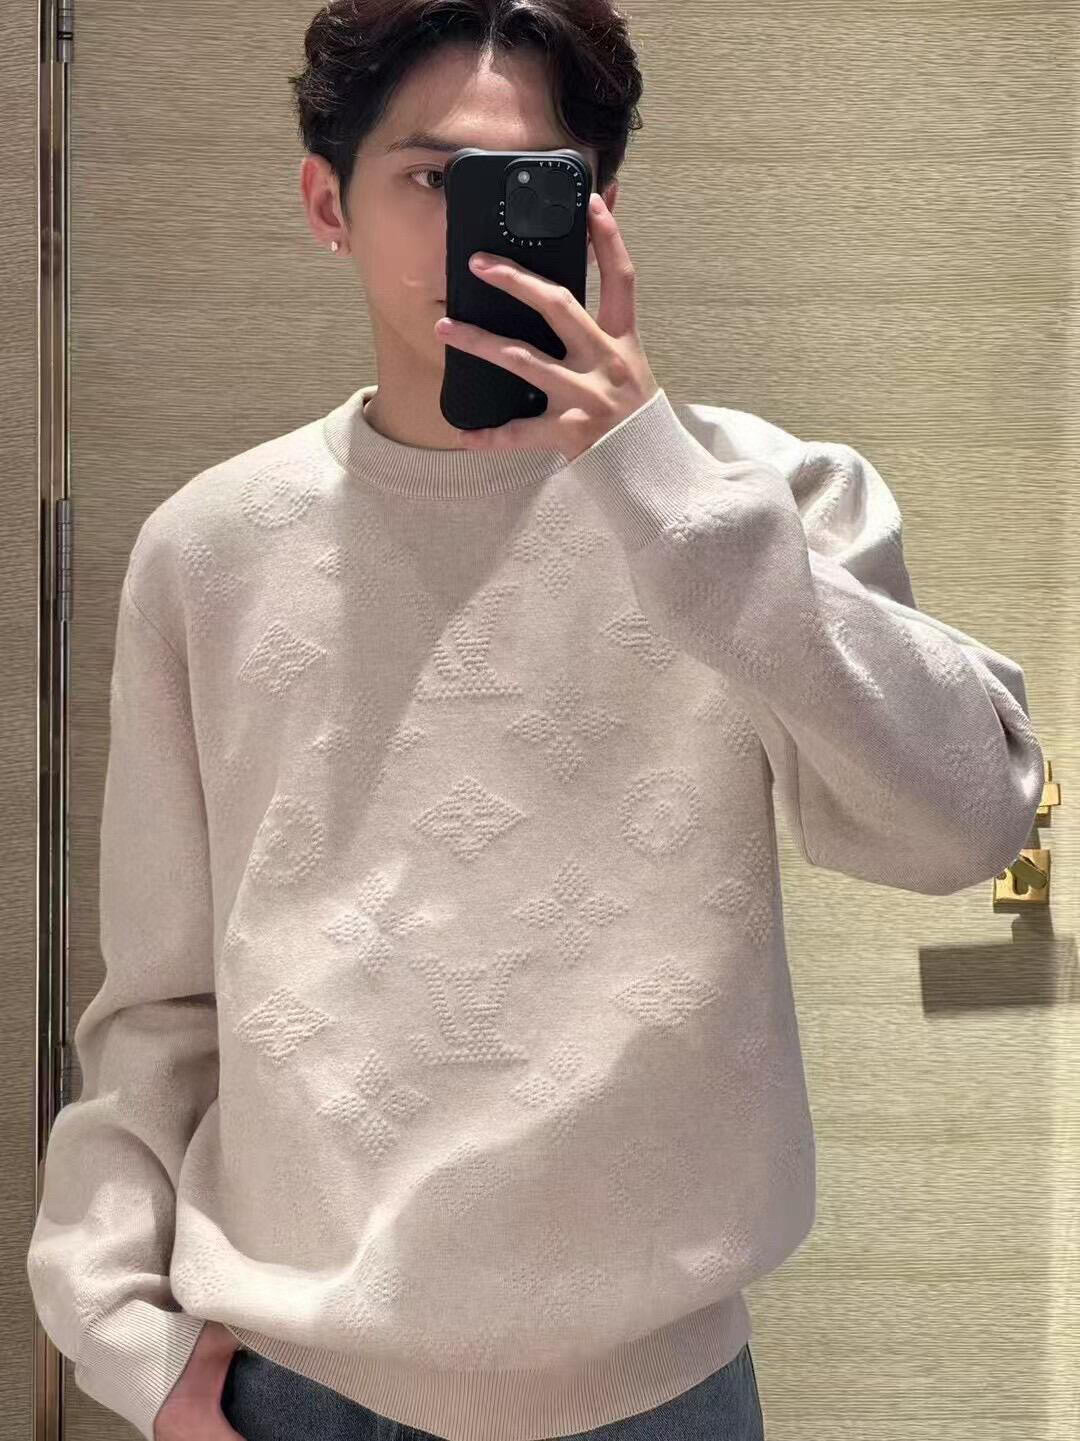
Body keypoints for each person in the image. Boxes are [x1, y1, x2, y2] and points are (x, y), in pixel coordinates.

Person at [26, 2, 1046, 1440]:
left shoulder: (758, 503)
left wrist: (663, 491)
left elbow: (968, 820)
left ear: (600, 210)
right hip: (298, 1387)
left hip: (662, 1391)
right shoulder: (214, 549)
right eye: (428, 179)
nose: (478, 236)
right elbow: (160, 1000)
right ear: (328, 202)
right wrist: (131, 1341)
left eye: (528, 185)